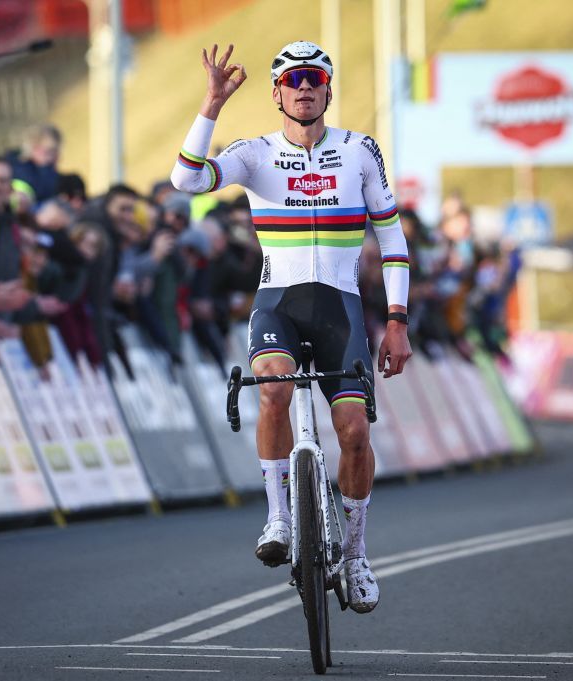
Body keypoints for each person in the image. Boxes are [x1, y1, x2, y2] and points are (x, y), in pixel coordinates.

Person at [170, 41, 412, 614]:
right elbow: (186, 180)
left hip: (341, 308)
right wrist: (210, 104)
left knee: (354, 433)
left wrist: (398, 321)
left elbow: (393, 238)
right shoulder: (254, 154)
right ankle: (279, 516)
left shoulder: (359, 151)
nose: (305, 87)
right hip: (276, 302)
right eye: (293, 79)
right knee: (274, 391)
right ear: (276, 92)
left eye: (315, 78)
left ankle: (354, 552)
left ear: (328, 89)